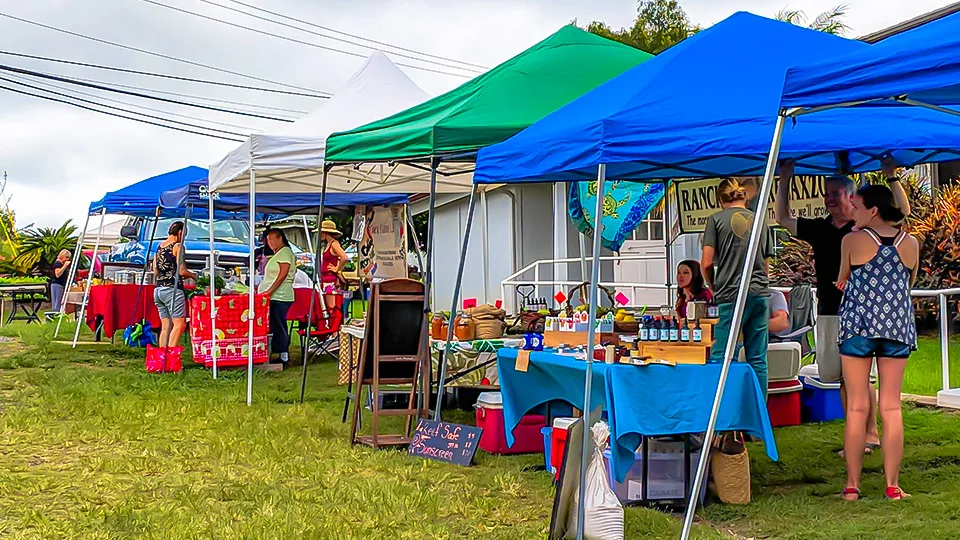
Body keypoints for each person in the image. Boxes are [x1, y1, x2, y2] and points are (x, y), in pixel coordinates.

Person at [776, 157, 909, 452]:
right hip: (828, 310)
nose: (829, 200)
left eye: (835, 194)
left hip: (862, 311)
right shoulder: (820, 228)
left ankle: (867, 434)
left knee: (858, 377)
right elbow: (782, 219)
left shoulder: (865, 225)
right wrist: (785, 179)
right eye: (827, 194)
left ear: (851, 197)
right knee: (840, 378)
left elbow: (901, 215)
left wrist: (891, 177)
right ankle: (861, 435)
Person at [835, 184, 918, 501]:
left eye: (856, 206)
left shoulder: (852, 241)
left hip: (858, 327)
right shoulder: (910, 243)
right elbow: (907, 283)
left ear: (873, 210)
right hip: (897, 327)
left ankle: (853, 486)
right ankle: (893, 486)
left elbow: (843, 276)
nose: (852, 211)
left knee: (857, 407)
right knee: (892, 407)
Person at [701, 178, 775, 398]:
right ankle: (759, 415)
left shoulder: (715, 220)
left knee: (722, 355)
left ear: (720, 199)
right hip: (760, 293)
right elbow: (767, 263)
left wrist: (713, 285)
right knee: (758, 358)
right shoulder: (761, 220)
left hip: (731, 293)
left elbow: (706, 262)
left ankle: (723, 412)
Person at [153, 221, 197, 350]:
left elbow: (155, 270)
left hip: (158, 290)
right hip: (172, 290)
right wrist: (194, 276)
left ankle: (162, 357)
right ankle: (171, 356)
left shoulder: (160, 246)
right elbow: (182, 271)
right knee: (179, 324)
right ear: (179, 233)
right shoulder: (177, 246)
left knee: (166, 326)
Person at [258, 228, 296, 367]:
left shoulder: (285, 252)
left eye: (274, 238)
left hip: (280, 296)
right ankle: (279, 353)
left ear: (281, 238)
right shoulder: (278, 253)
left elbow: (283, 274)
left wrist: (270, 291)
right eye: (269, 239)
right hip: (274, 295)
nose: (271, 242)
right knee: (275, 325)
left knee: (279, 326)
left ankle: (284, 356)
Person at [319, 219, 348, 290]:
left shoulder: (334, 244)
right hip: (326, 277)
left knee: (330, 300)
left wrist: (337, 269)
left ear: (324, 233)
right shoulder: (329, 244)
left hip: (330, 278)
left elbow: (344, 257)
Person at [50, 249, 71, 316]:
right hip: (57, 284)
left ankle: (57, 315)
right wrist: (65, 266)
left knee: (59, 302)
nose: (67, 259)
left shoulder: (60, 264)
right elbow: (57, 274)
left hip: (60, 285)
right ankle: (55, 316)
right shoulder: (58, 264)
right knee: (57, 303)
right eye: (66, 257)